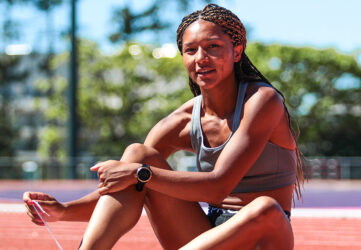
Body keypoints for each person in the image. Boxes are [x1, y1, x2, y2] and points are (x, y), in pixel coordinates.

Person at [23, 4, 304, 250]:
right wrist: (62, 211)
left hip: (262, 238)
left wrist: (140, 173)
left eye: (213, 47)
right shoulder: (181, 122)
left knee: (266, 208)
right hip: (205, 236)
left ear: (237, 51)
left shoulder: (262, 101)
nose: (200, 58)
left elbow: (218, 187)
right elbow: (125, 187)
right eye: (190, 50)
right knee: (138, 153)